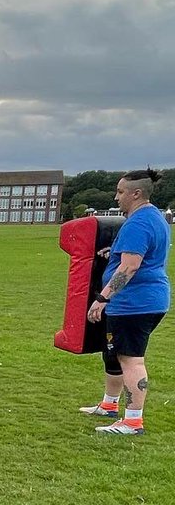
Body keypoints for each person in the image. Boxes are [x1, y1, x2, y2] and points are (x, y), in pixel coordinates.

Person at [82, 169, 169, 434]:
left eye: (120, 192)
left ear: (136, 193)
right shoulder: (155, 217)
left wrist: (103, 297)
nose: (116, 197)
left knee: (131, 360)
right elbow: (137, 256)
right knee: (117, 355)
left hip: (135, 304)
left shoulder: (138, 223)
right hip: (147, 300)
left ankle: (132, 421)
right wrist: (114, 253)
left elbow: (129, 268)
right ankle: (110, 405)